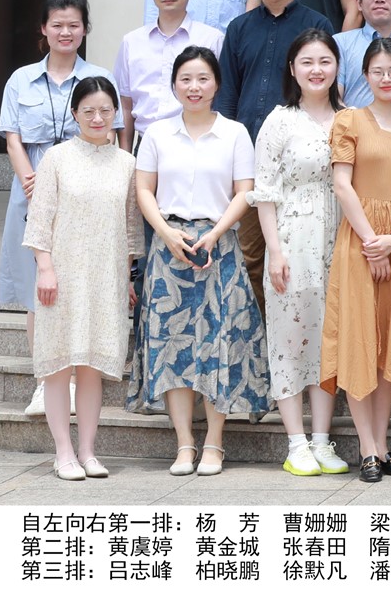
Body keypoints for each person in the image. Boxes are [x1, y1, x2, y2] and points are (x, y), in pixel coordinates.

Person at [130, 46, 269, 477]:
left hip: (218, 246)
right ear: (174, 85)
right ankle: (184, 443)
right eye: (186, 79)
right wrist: (166, 234)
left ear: (217, 84)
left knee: (218, 342)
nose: (195, 87)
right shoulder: (156, 133)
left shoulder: (234, 133)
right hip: (169, 249)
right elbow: (143, 190)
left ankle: (214, 442)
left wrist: (215, 232)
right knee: (171, 347)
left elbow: (245, 190)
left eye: (203, 78)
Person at [0, 0, 112, 417]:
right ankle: (46, 384)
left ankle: (78, 380)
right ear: (43, 29)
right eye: (58, 25)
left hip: (86, 192)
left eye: (74, 25)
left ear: (85, 30)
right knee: (38, 290)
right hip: (31, 189)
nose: (66, 32)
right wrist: (33, 182)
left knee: (80, 285)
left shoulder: (99, 77)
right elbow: (13, 139)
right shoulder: (21, 79)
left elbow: (110, 134)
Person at [320, 36, 391, 482]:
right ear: (365, 75)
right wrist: (371, 241)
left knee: (390, 346)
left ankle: (381, 446)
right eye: (378, 71)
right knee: (360, 341)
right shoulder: (350, 120)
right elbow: (342, 185)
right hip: (360, 242)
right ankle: (365, 447)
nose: (386, 78)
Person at [23, 77, 136, 481]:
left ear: (115, 113)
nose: (97, 118)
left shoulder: (126, 163)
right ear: (75, 114)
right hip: (61, 275)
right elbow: (39, 220)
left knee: (91, 367)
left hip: (106, 277)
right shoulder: (56, 158)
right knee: (59, 365)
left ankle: (88, 451)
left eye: (105, 110)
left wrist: (127, 277)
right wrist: (45, 268)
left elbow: (130, 228)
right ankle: (63, 453)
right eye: (88, 110)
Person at [218, 0, 337, 312]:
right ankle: (261, 338)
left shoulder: (316, 24)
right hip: (251, 162)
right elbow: (226, 94)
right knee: (251, 256)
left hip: (304, 162)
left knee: (311, 257)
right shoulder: (239, 28)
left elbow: (328, 86)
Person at [252, 29, 348, 476]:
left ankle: (323, 440)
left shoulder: (349, 118)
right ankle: (296, 443)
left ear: (337, 66)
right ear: (292, 69)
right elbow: (265, 192)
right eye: (307, 61)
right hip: (293, 239)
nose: (316, 69)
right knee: (290, 338)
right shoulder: (279, 121)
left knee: (330, 339)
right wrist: (274, 250)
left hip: (341, 241)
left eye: (325, 61)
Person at [116, 0, 226, 148]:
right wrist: (125, 155)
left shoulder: (212, 39)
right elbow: (125, 105)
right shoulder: (131, 42)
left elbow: (222, 97)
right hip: (146, 142)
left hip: (198, 142)